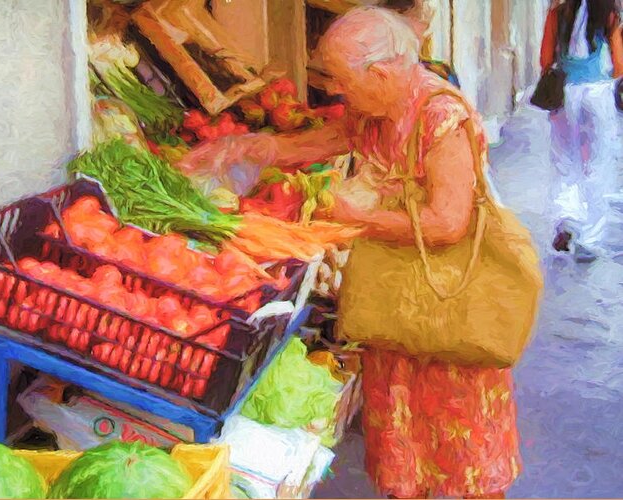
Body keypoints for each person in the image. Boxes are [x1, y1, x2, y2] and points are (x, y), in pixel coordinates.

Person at [180, 7, 521, 498]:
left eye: (341, 80)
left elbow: (449, 223)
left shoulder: (442, 116)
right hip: (393, 297)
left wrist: (355, 216)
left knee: (458, 434)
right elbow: (327, 139)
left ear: (380, 74)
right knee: (402, 431)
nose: (335, 91)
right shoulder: (376, 108)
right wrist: (253, 147)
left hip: (448, 301)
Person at [540, 0, 623, 262]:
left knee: (565, 160)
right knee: (597, 163)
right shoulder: (608, 11)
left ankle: (567, 219)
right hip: (597, 93)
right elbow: (618, 61)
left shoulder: (558, 11)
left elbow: (545, 58)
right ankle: (590, 237)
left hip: (566, 93)